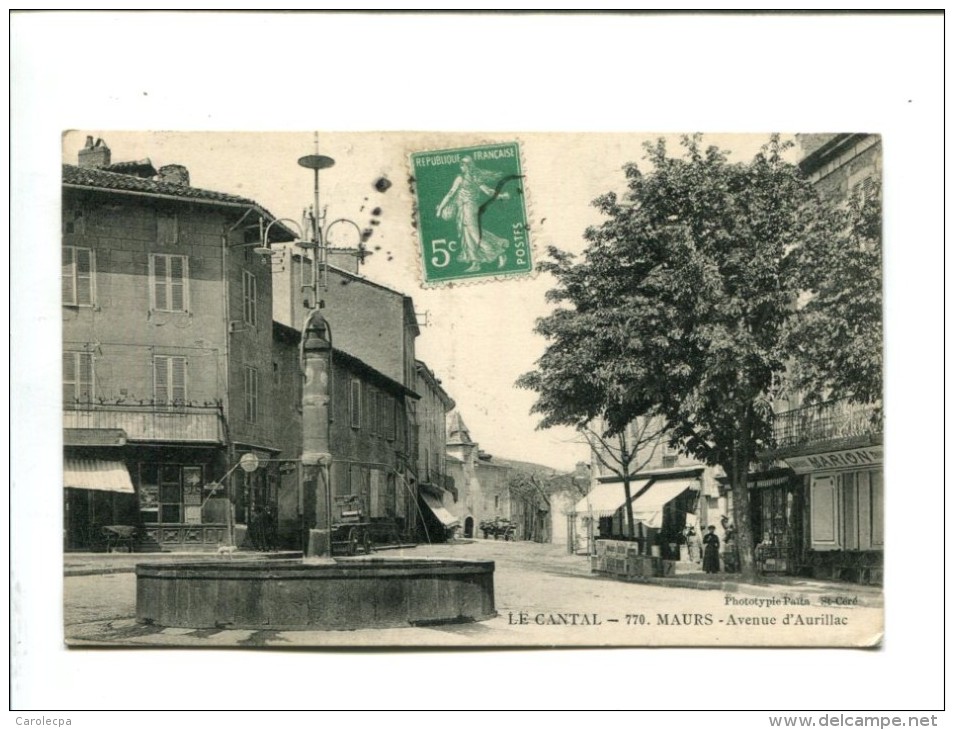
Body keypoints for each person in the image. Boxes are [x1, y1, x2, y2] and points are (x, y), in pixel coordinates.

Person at [436, 156, 511, 273]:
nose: (461, 167)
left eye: (463, 165)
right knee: (467, 235)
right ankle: (475, 262)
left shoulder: (468, 178)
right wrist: (440, 208)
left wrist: (501, 196)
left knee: (474, 234)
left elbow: (487, 191)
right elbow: (451, 194)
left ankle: (499, 253)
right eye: (460, 165)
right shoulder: (463, 178)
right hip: (463, 209)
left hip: (469, 208)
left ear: (468, 166)